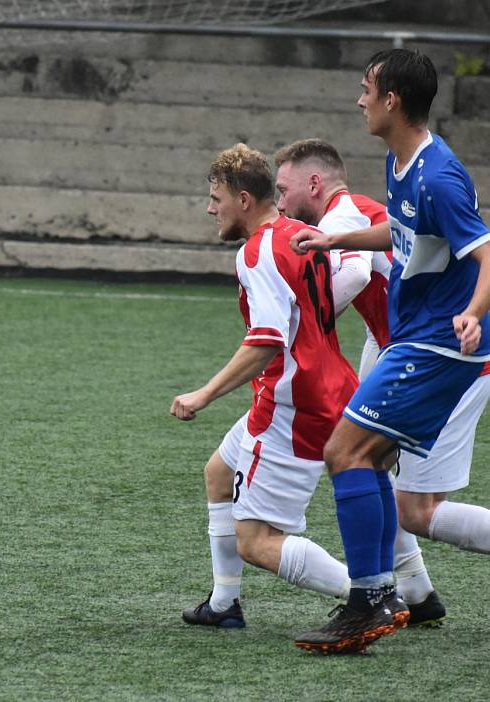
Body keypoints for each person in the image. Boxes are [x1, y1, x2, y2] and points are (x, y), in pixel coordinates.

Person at [290, 49, 490, 654]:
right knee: (369, 462)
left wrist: (472, 313)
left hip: (437, 346)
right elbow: (407, 233)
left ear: (393, 100)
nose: (360, 100)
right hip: (418, 339)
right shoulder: (402, 162)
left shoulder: (438, 175)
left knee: (346, 453)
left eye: (366, 90)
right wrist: (338, 238)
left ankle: (372, 598)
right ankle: (381, 595)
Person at [170, 143, 401, 638]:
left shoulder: (256, 251)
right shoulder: (302, 232)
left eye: (217, 198)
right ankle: (224, 601)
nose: (211, 208)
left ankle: (368, 595)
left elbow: (267, 341)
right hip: (331, 384)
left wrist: (203, 394)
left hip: (292, 402)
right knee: (219, 470)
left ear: (245, 199)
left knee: (254, 541)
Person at [273, 137, 445, 626]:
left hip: (413, 351)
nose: (280, 200)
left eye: (284, 189)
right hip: (390, 342)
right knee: (371, 464)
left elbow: (351, 276)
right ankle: (414, 590)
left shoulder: (340, 217)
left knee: (381, 478)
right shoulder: (351, 211)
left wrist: (310, 331)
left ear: (314, 183)